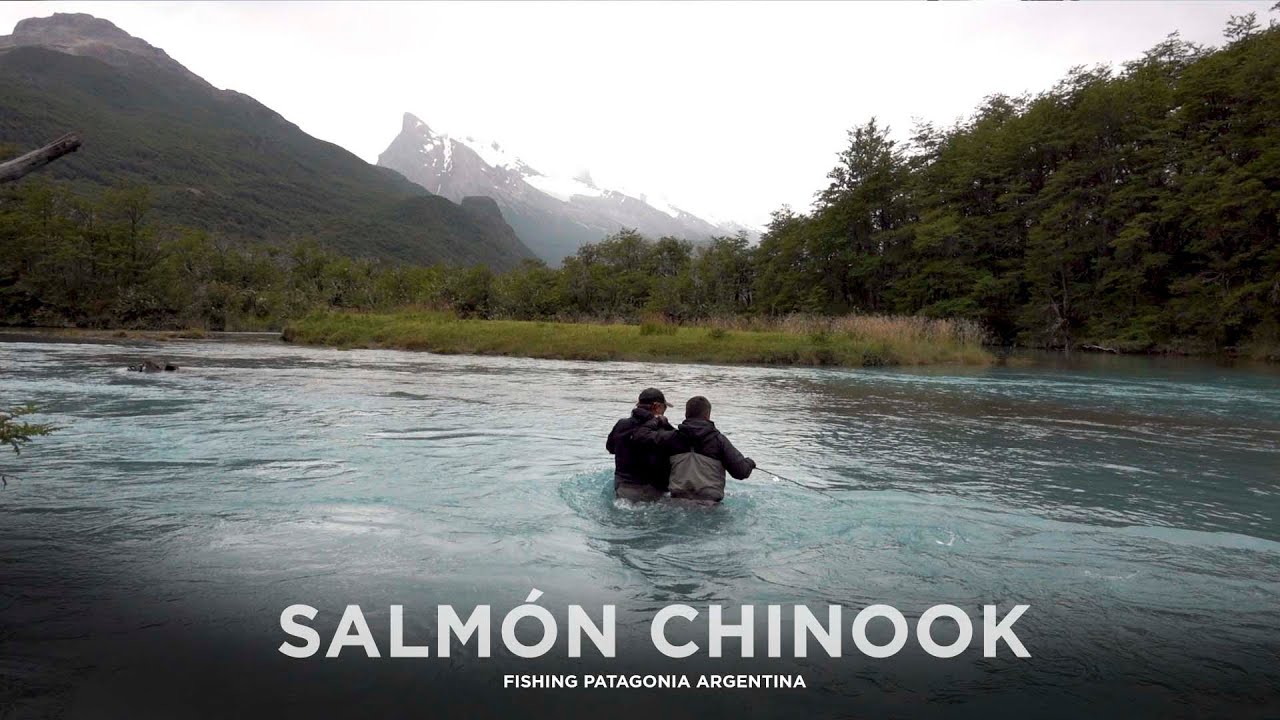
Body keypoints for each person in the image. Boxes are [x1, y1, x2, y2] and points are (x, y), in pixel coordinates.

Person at [665, 395, 755, 504]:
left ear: (686, 414)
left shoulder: (671, 438)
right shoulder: (718, 440)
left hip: (677, 502)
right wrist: (750, 463)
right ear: (708, 415)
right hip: (709, 505)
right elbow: (740, 472)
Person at [606, 388, 676, 501]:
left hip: (622, 488)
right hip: (653, 492)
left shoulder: (621, 425)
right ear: (657, 407)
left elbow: (610, 448)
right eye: (664, 407)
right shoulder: (662, 430)